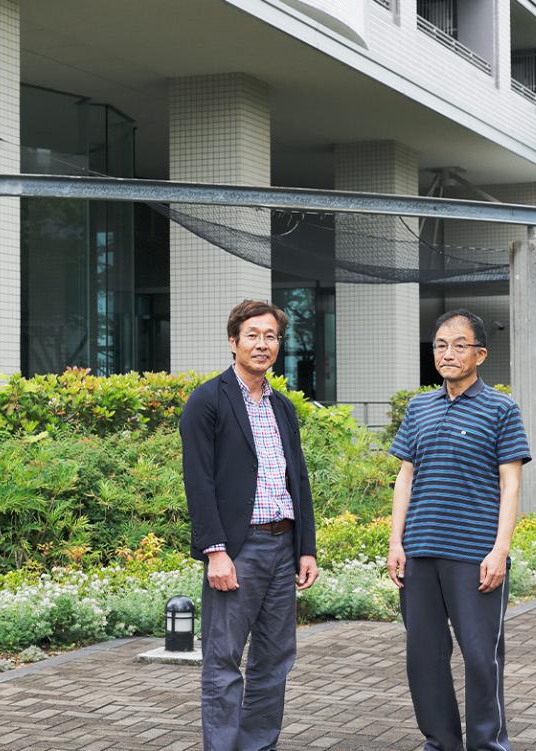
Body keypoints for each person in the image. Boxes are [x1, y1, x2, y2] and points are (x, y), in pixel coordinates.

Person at [387, 309, 532, 751]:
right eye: (440, 345)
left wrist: (500, 550)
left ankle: (488, 745)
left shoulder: (501, 408)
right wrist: (395, 542)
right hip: (420, 552)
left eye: (459, 345)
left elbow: (510, 483)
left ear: (480, 354)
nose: (448, 353)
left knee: (481, 658)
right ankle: (441, 743)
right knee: (425, 659)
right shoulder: (419, 407)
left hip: (475, 556)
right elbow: (405, 476)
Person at [180, 298, 320, 751]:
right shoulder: (208, 400)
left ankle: (259, 745)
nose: (262, 344)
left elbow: (298, 478)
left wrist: (306, 548)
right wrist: (215, 551)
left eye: (271, 336)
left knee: (275, 659)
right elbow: (198, 481)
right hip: (237, 550)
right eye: (253, 335)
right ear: (233, 341)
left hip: (283, 546)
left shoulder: (282, 407)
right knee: (223, 661)